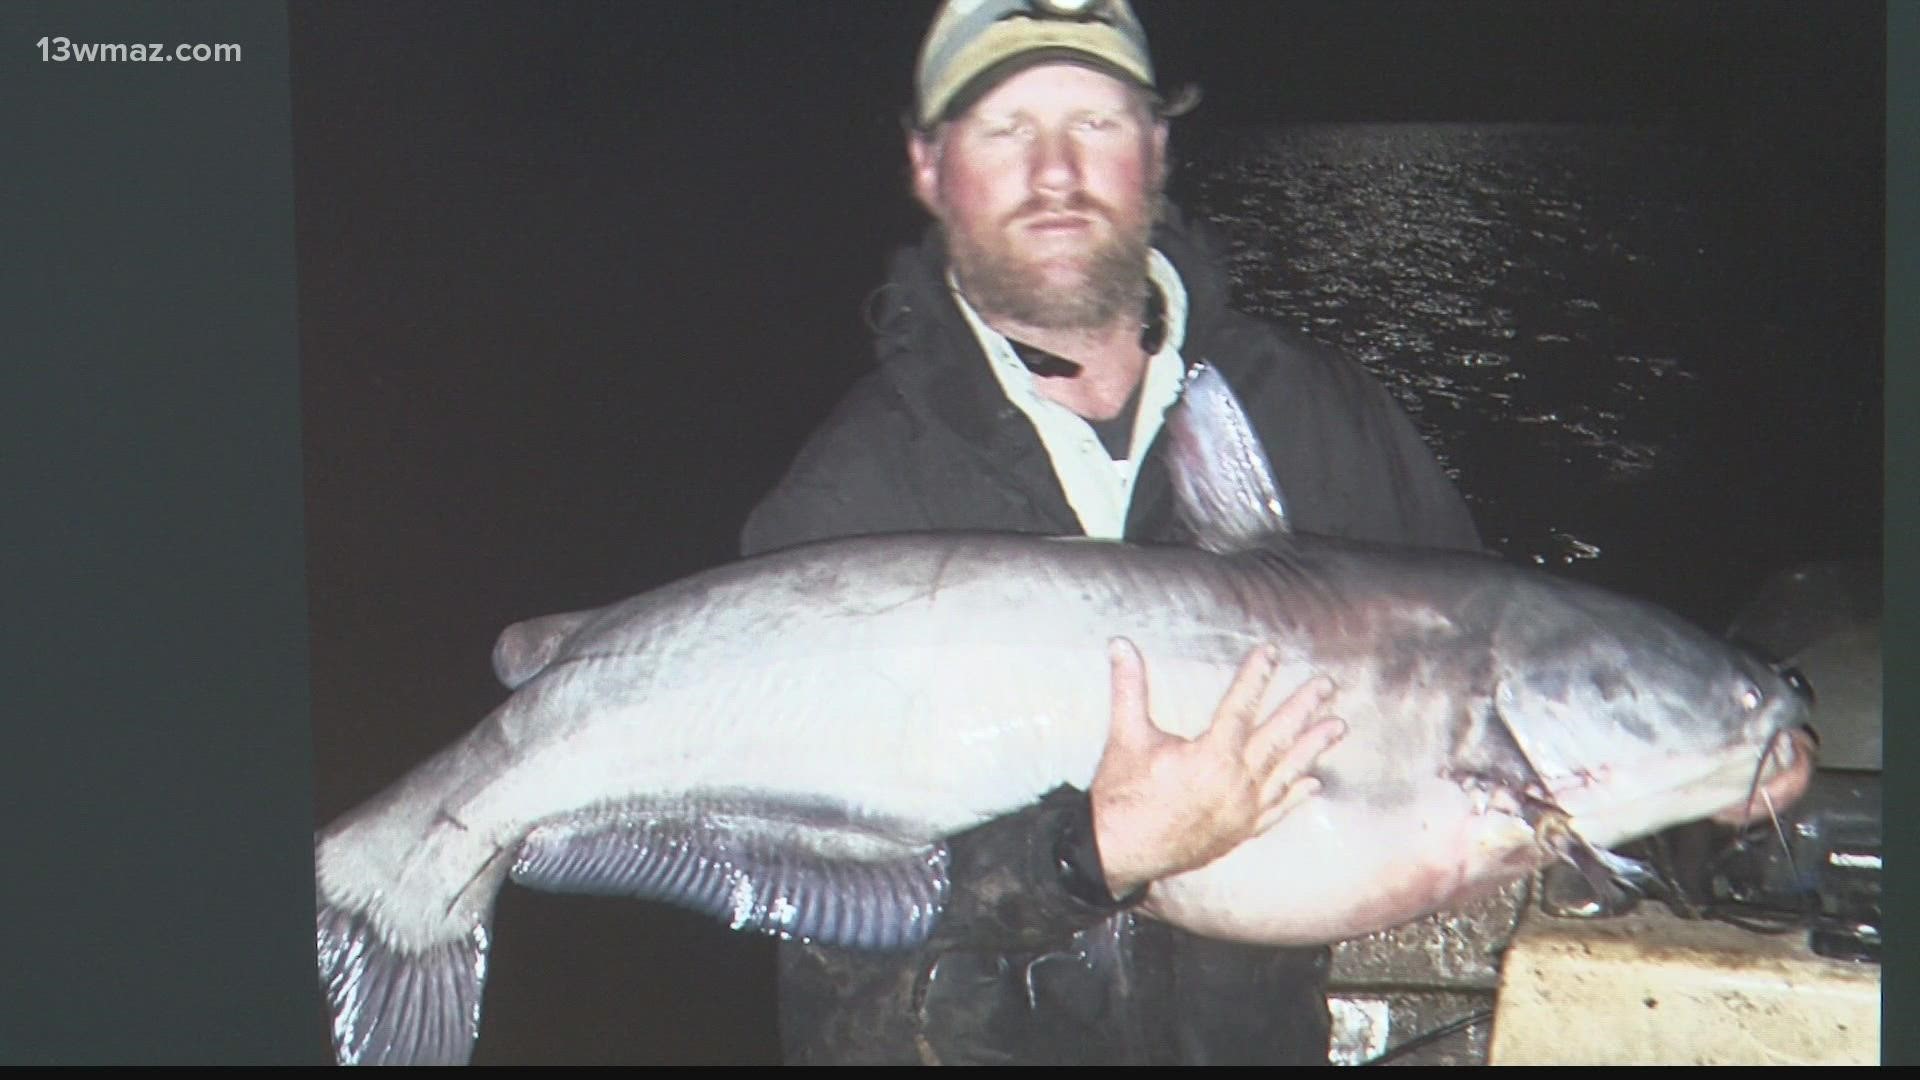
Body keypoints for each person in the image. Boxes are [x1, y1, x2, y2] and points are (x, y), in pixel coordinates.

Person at [738, 0, 1812, 1065]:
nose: (1055, 170)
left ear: (1157, 151)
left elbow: (1552, 751)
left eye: (1097, 123)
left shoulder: (1316, 417)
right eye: (1006, 129)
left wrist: (1729, 774)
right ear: (930, 168)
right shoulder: (847, 509)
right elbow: (822, 956)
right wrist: (1087, 858)